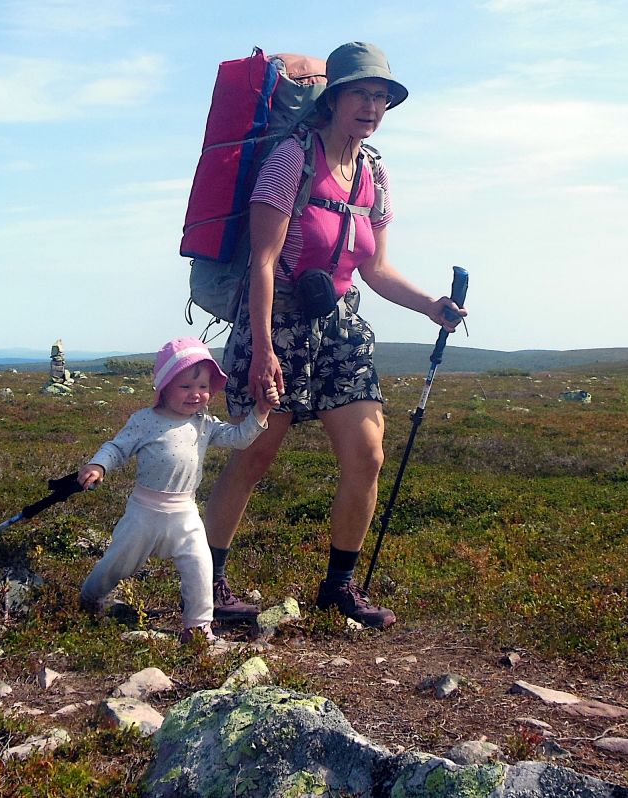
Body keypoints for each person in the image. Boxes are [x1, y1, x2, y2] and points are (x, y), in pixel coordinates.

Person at [204, 42, 466, 629]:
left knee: (367, 455)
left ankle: (339, 588)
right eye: (362, 94)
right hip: (278, 322)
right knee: (255, 454)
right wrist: (264, 349)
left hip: (341, 325)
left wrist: (430, 304)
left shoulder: (374, 171)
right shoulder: (291, 160)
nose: (372, 106)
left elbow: (374, 268)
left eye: (382, 97)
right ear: (334, 97)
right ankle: (210, 582)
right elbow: (265, 261)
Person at [78, 336, 279, 643]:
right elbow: (116, 448)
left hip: (185, 512)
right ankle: (90, 598)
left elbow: (239, 438)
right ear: (164, 387)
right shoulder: (145, 421)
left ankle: (198, 628)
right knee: (117, 563)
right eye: (185, 387)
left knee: (201, 565)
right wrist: (98, 466)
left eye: (203, 387)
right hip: (143, 513)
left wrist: (261, 411)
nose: (196, 395)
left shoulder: (204, 423)